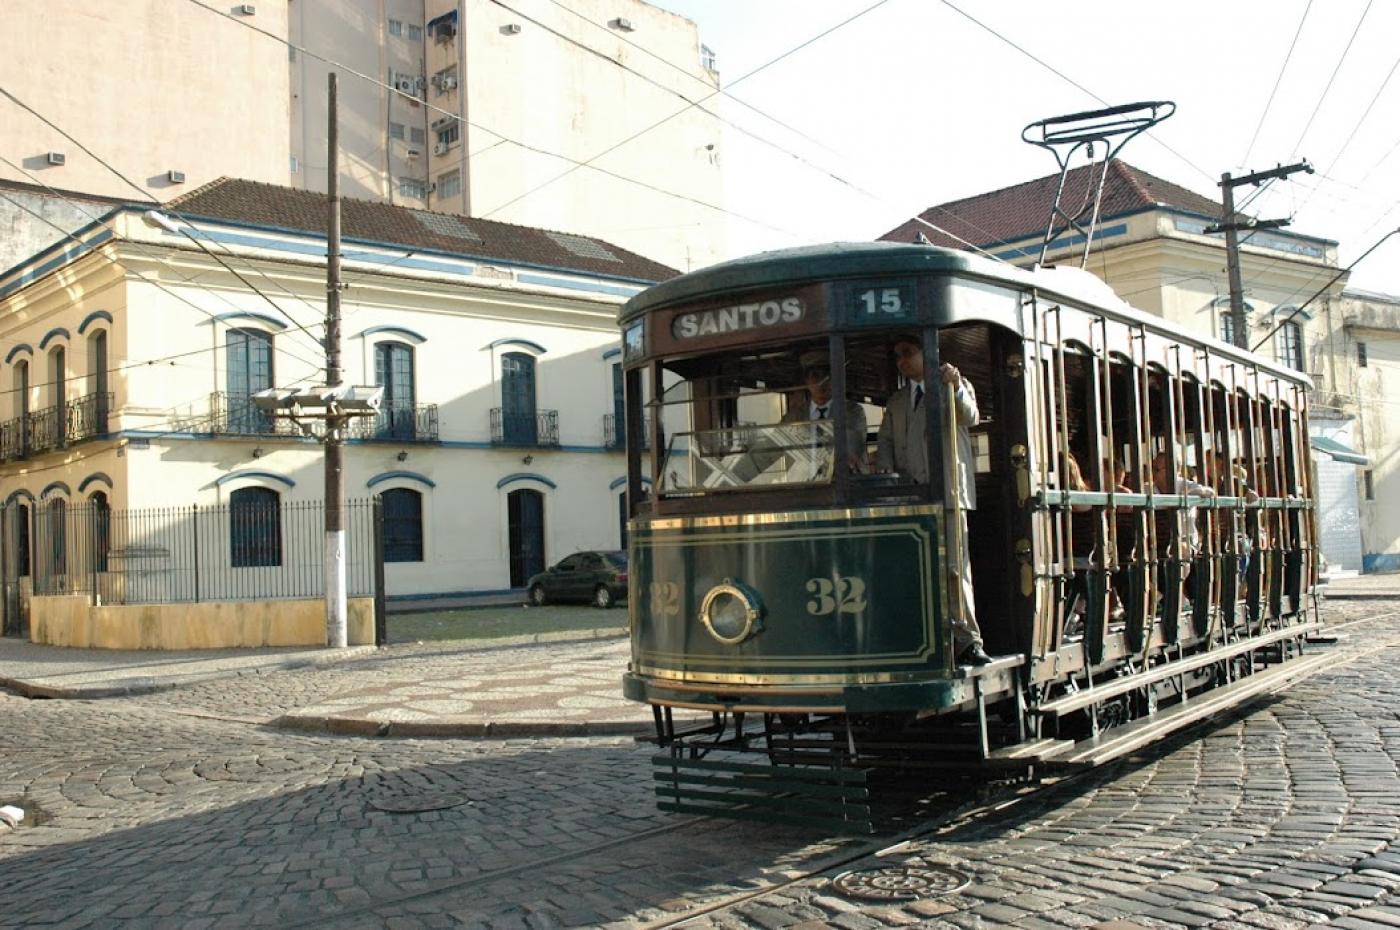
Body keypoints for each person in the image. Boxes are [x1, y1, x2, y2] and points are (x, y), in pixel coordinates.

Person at [876, 334, 989, 665]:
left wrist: (954, 386)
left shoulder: (952, 385)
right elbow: (884, 441)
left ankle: (967, 640)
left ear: (928, 353)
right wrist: (884, 466)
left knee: (955, 568)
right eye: (897, 355)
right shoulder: (896, 402)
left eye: (908, 352)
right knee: (915, 569)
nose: (902, 360)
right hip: (910, 496)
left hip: (949, 493)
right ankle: (924, 639)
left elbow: (971, 417)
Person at [780, 350, 870, 475]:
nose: (821, 383)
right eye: (815, 376)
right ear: (806, 381)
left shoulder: (852, 411)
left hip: (844, 485)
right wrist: (742, 477)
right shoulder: (793, 418)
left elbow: (850, 444)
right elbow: (768, 449)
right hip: (805, 488)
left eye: (827, 376)